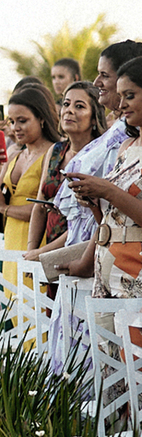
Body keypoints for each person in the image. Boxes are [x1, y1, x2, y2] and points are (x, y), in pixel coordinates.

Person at [66, 56, 142, 299]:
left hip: (135, 276)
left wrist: (107, 190)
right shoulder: (127, 147)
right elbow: (113, 220)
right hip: (107, 270)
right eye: (120, 96)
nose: (121, 104)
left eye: (129, 95)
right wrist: (94, 201)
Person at [0, 85, 60, 288]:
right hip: (11, 243)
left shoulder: (54, 154)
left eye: (22, 121)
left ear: (41, 119)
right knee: (12, 303)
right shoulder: (15, 155)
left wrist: (5, 209)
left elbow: (44, 208)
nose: (15, 127)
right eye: (12, 121)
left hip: (37, 243)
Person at [23, 82, 106, 262]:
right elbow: (39, 207)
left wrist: (43, 253)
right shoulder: (56, 151)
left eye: (79, 106)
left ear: (94, 118)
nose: (69, 111)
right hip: (47, 249)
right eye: (66, 104)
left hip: (80, 252)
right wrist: (32, 251)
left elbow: (84, 221)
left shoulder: (99, 156)